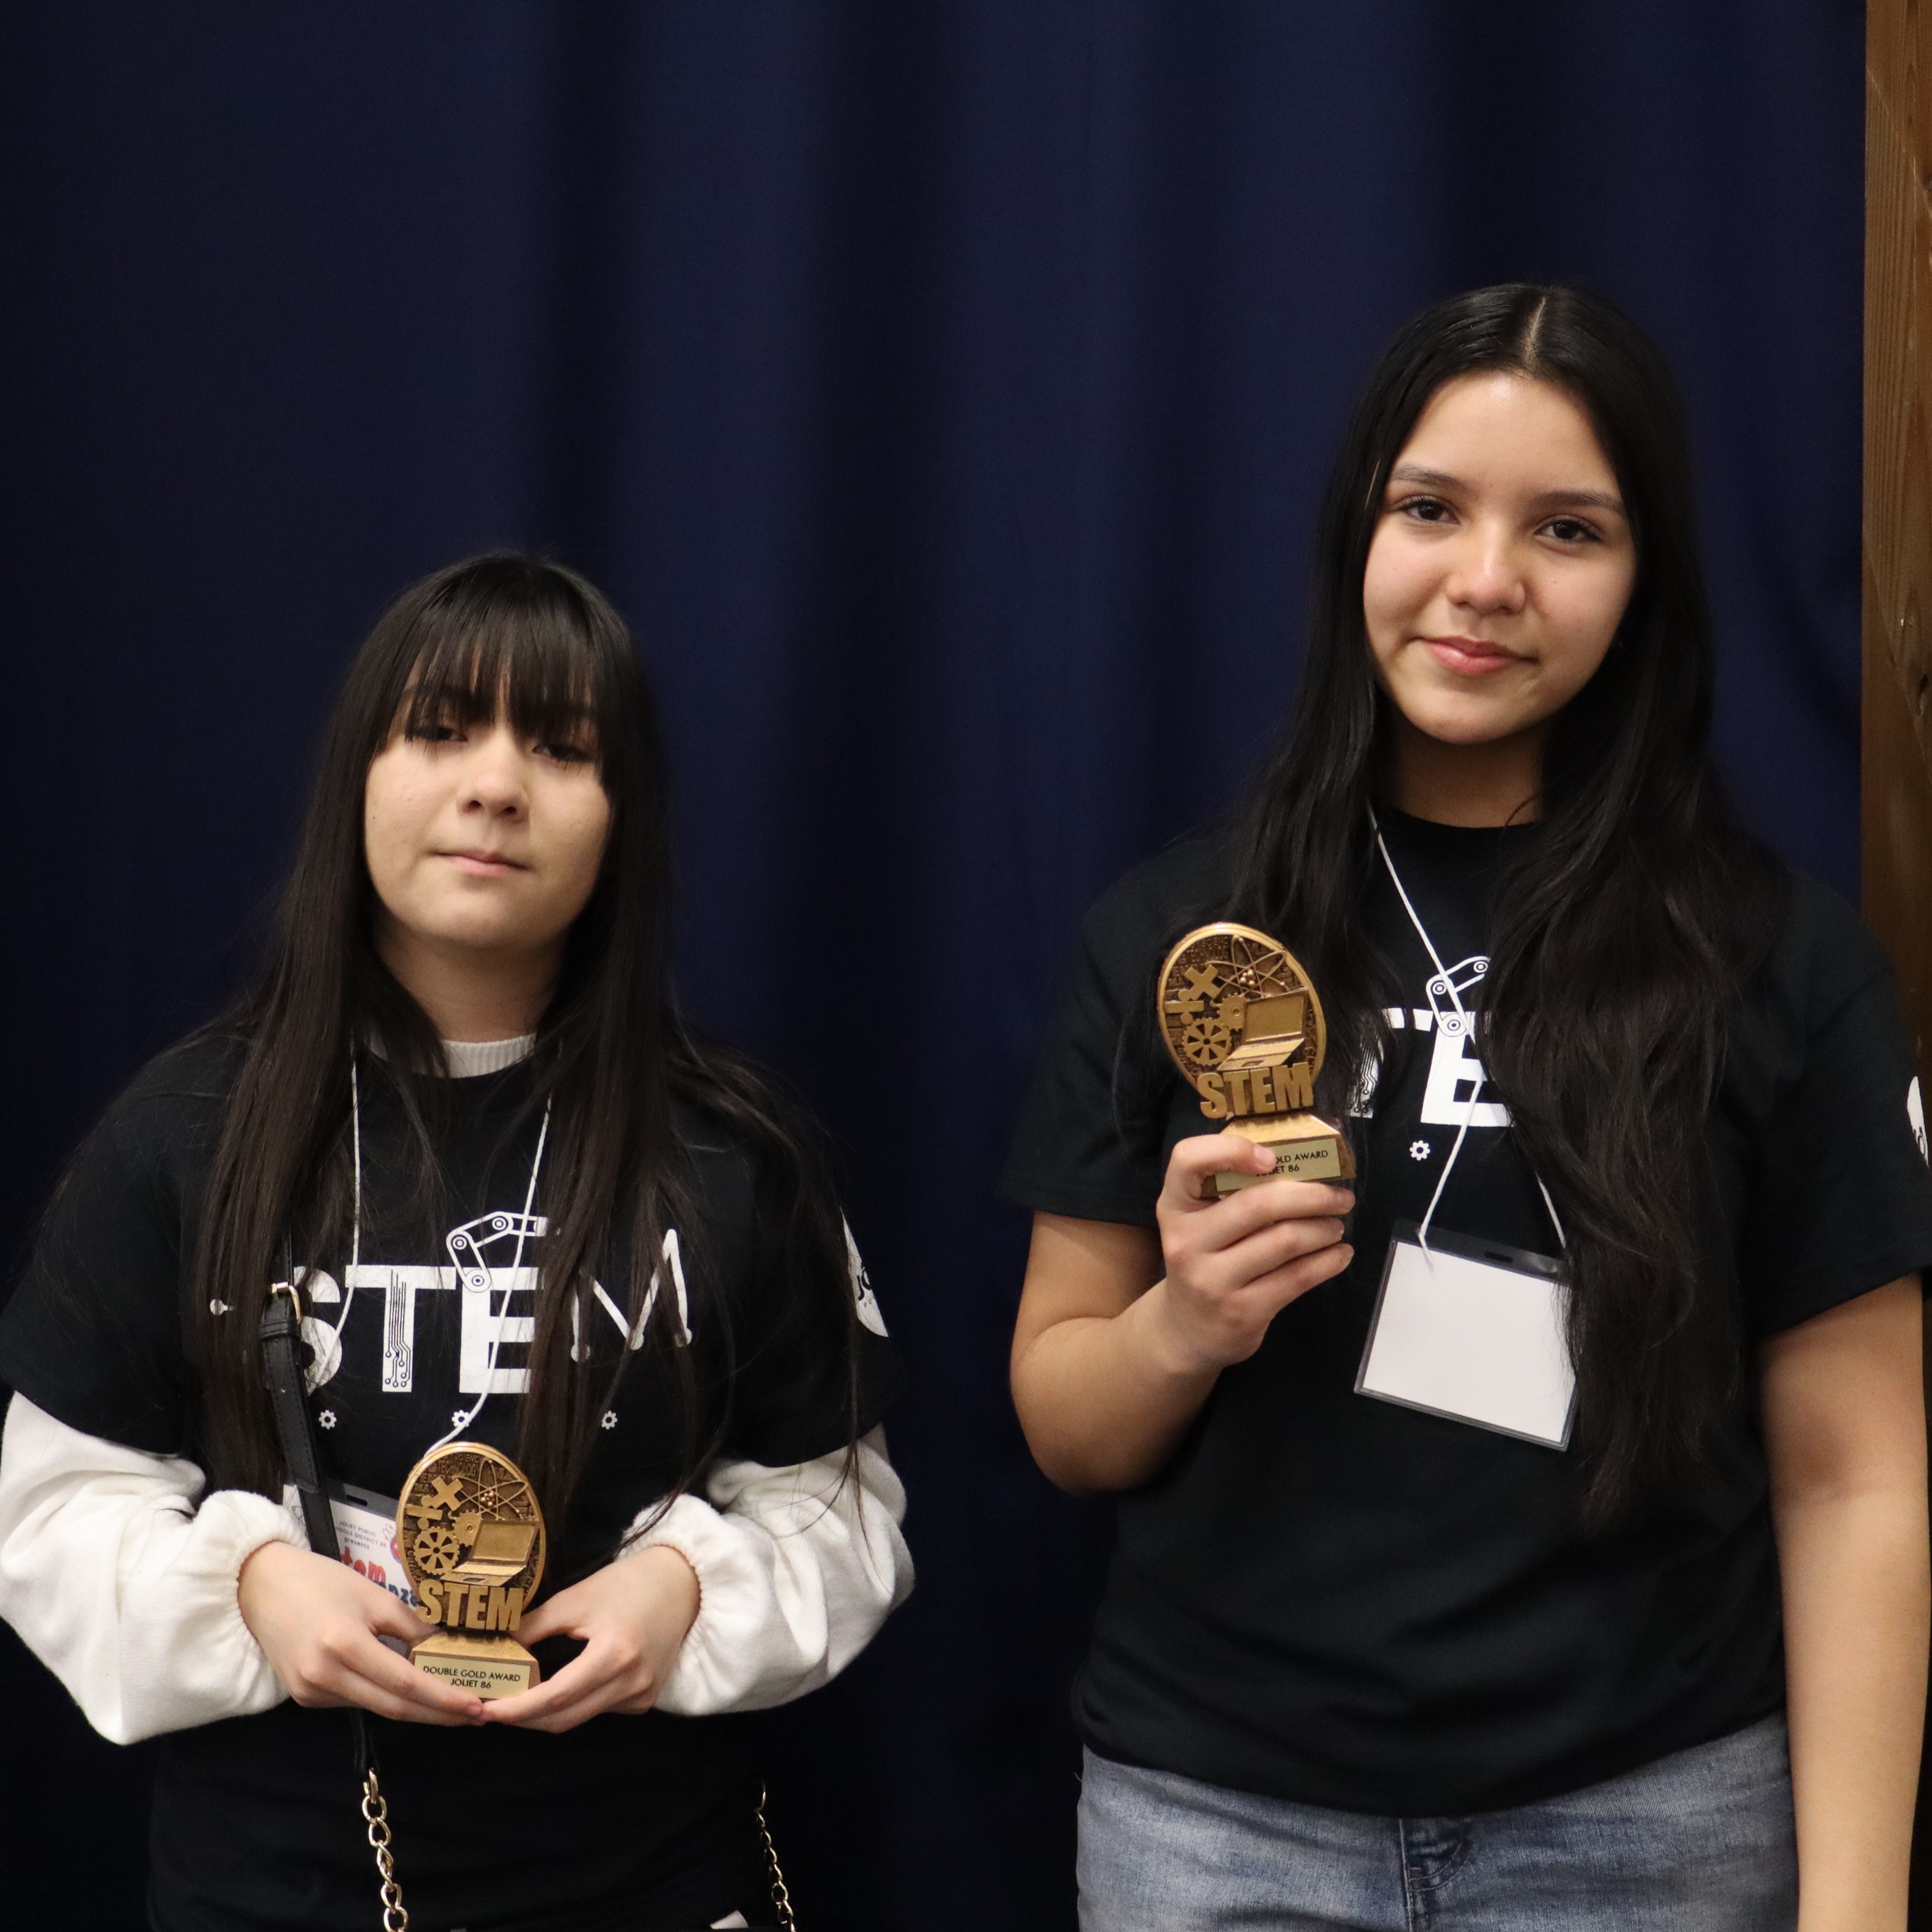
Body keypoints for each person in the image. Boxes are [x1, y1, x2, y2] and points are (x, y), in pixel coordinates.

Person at [1002, 285, 1932, 1930]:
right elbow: (1064, 1419)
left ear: (1644, 585)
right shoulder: (1177, 934)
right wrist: (1184, 1328)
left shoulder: (1779, 963)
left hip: (1648, 1826)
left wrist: (1854, 1914)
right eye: (1430, 508)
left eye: (1567, 529)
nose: (1486, 581)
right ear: (1358, 531)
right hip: (1217, 1831)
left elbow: (1856, 1479)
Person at [0, 554, 912, 1932]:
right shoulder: (188, 1128)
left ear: (622, 819)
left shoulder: (735, 1147)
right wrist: (251, 1592)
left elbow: (844, 1514)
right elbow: (52, 1509)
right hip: (278, 1890)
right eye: (438, 730)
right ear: (357, 779)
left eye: (561, 748)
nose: (495, 784)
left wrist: (683, 1596)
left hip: (650, 1884)